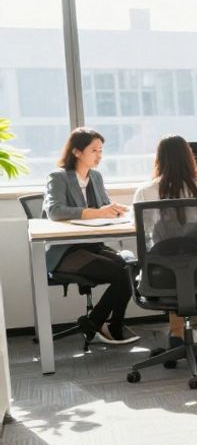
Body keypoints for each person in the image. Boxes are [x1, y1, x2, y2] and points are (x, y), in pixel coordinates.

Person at [131, 135, 197, 349]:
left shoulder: (145, 191)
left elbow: (137, 227)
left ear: (159, 159)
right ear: (190, 158)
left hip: (161, 277)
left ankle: (177, 333)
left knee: (173, 261)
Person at [42, 128, 139, 345]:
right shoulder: (57, 177)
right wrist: (97, 212)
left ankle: (107, 323)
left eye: (101, 150)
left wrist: (114, 209)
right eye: (94, 150)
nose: (99, 155)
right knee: (121, 273)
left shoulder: (95, 176)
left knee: (131, 266)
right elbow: (55, 211)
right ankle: (98, 322)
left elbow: (104, 204)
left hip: (92, 246)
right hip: (67, 251)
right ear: (77, 152)